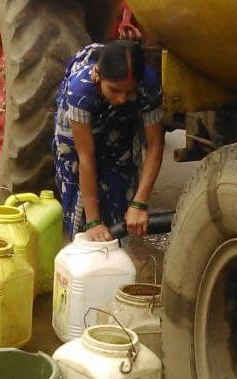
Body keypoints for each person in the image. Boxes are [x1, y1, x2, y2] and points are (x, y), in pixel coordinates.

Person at [52, 39, 164, 242]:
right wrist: (93, 222)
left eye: (129, 92)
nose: (122, 99)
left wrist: (139, 203)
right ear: (98, 74)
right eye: (114, 90)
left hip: (120, 127)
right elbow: (85, 157)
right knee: (80, 207)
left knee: (119, 193)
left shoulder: (147, 83)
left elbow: (155, 144)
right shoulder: (80, 90)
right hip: (79, 139)